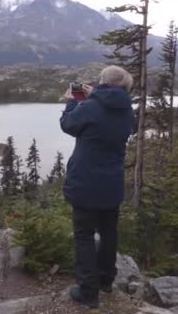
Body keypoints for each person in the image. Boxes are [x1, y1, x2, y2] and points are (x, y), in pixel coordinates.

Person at [60, 66, 134, 309]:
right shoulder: (127, 111)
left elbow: (68, 125)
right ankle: (105, 281)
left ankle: (88, 292)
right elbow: (110, 114)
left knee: (84, 236)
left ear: (102, 82)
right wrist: (95, 96)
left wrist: (72, 102)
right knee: (109, 232)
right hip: (111, 183)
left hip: (85, 182)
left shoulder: (90, 106)